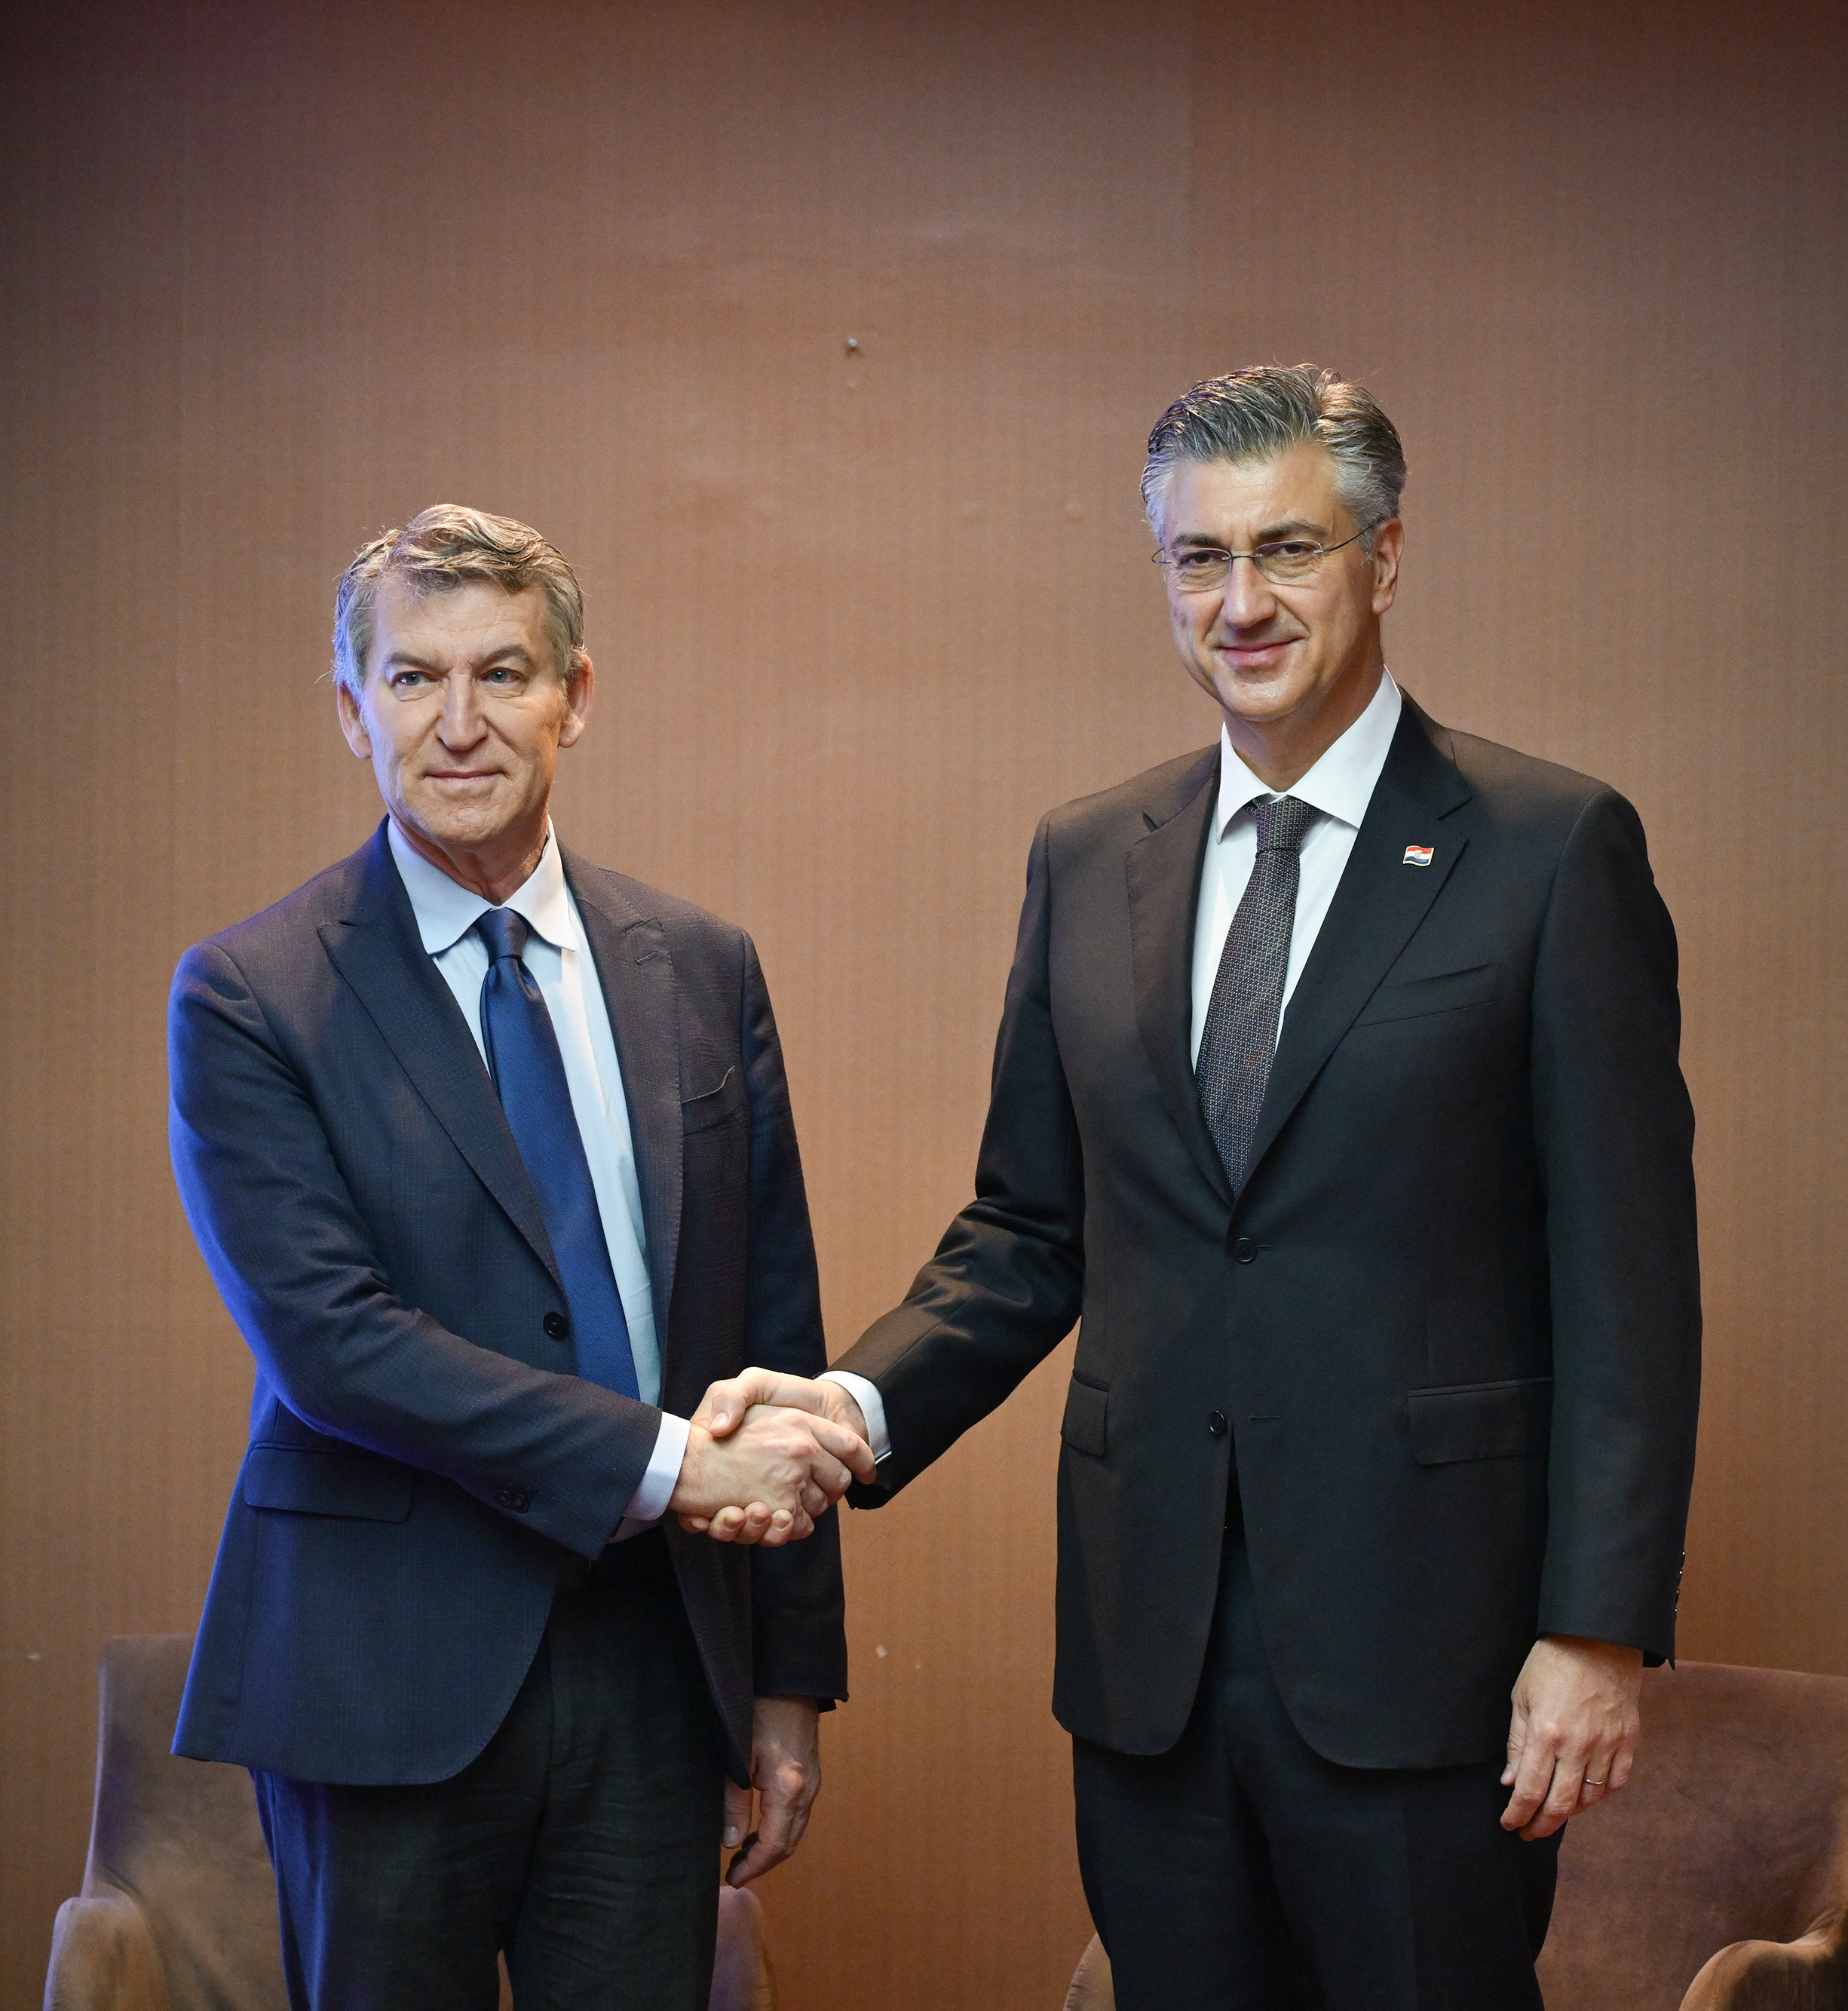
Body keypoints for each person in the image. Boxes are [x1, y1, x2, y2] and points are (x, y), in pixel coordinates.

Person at [697, 366, 1702, 2007]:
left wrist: (1590, 1632)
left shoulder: (1549, 848)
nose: (1239, 601)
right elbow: (1029, 1231)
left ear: (1381, 557)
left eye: (1286, 550)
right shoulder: (1090, 855)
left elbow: (1629, 1283)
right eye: (1196, 558)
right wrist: (845, 1413)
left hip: (1427, 1659)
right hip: (1146, 1649)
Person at [165, 505, 872, 2011]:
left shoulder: (702, 965)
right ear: (353, 708)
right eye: (413, 679)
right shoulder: (251, 993)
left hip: (652, 1667)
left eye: (503, 671)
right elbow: (334, 1344)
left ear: (577, 694)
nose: (461, 722)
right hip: (384, 1678)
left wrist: (786, 1679)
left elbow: (774, 1328)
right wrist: (681, 1462)